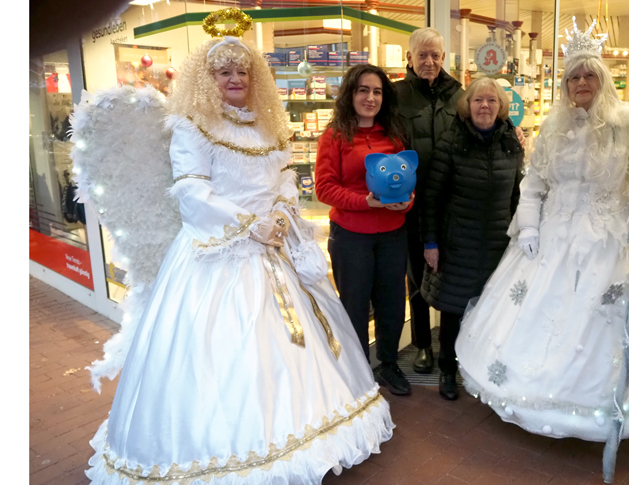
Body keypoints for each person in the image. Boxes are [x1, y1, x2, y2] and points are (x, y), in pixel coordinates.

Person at [79, 34, 394, 484]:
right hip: (218, 255)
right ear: (208, 78)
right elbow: (191, 191)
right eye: (224, 71)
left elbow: (286, 176)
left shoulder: (266, 126)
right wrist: (250, 224)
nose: (234, 79)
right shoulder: (192, 126)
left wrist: (284, 213)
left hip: (274, 248)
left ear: (254, 77)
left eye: (242, 71)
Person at [452, 28, 629, 450]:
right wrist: (527, 226)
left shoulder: (627, 125)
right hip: (554, 239)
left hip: (611, 241)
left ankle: (610, 402)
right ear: (565, 86)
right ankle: (546, 395)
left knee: (609, 320)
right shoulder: (552, 130)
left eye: (589, 76)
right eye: (574, 77)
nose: (582, 84)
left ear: (601, 80)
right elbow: (535, 182)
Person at [396, 28, 525, 374]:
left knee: (457, 283)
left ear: (443, 58)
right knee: (419, 279)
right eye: (422, 54)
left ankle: (462, 349)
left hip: (456, 201)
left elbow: (491, 120)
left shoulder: (459, 93)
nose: (429, 61)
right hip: (411, 201)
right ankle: (424, 344)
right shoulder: (397, 95)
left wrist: (515, 134)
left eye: (435, 55)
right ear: (409, 58)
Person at [420, 77, 524, 401]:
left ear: (501, 107)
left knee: (490, 311)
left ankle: (479, 370)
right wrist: (431, 243)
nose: (485, 106)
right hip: (458, 244)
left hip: (497, 244)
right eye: (478, 100)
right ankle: (447, 371)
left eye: (492, 101)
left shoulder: (511, 144)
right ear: (467, 105)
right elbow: (431, 197)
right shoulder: (452, 142)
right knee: (453, 311)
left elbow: (517, 197)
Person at [315, 64, 414, 396]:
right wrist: (365, 202)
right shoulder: (335, 136)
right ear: (350, 94)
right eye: (363, 90)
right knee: (354, 306)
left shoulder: (394, 133)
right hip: (351, 235)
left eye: (377, 92)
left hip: (392, 234)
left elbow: (405, 181)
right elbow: (325, 189)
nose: (370, 98)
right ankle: (358, 371)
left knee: (391, 305)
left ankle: (388, 364)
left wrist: (407, 202)